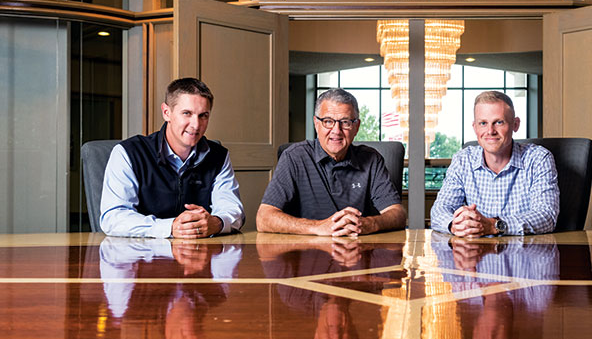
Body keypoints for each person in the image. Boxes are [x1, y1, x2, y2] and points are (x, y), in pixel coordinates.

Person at [100, 78, 244, 238]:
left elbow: (233, 210)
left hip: (199, 255)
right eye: (187, 113)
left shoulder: (218, 156)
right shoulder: (128, 153)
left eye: (203, 115)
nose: (196, 125)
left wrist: (216, 223)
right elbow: (113, 217)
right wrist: (170, 227)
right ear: (166, 113)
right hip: (142, 255)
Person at [257, 88, 406, 236]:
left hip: (359, 251)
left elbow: (398, 214)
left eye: (345, 122)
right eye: (328, 121)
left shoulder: (372, 159)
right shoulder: (294, 157)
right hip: (306, 253)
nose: (336, 130)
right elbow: (264, 218)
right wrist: (318, 227)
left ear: (356, 127)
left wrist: (369, 224)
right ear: (316, 124)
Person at [430, 91, 559, 236]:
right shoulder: (463, 160)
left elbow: (546, 216)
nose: (490, 131)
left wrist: (494, 225)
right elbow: (440, 210)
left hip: (524, 253)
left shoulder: (538, 159)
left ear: (515, 125)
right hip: (473, 253)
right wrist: (455, 225)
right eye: (483, 123)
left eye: (499, 122)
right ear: (475, 127)